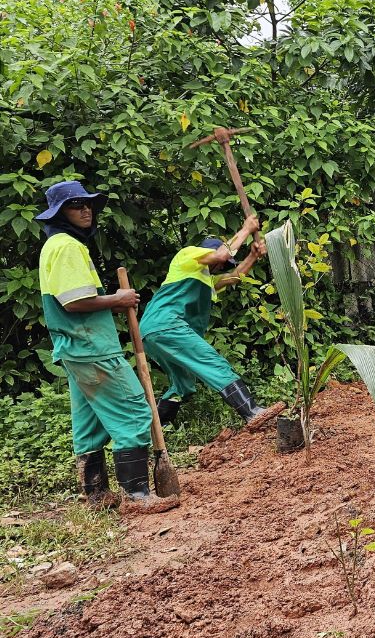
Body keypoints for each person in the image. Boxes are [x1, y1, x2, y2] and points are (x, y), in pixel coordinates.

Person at [36, 180, 176, 510]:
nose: (86, 210)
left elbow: (70, 299)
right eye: (75, 206)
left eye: (88, 205)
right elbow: (73, 302)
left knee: (90, 422)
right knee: (133, 410)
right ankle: (137, 495)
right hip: (92, 348)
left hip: (76, 349)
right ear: (59, 215)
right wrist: (119, 297)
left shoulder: (54, 246)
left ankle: (95, 494)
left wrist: (109, 303)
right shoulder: (67, 246)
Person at [139, 214, 283, 430]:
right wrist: (245, 229)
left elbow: (235, 276)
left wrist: (253, 256)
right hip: (166, 324)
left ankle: (152, 430)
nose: (221, 266)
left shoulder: (206, 279)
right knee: (214, 365)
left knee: (183, 385)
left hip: (152, 331)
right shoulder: (188, 256)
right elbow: (220, 255)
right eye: (221, 262)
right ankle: (252, 413)